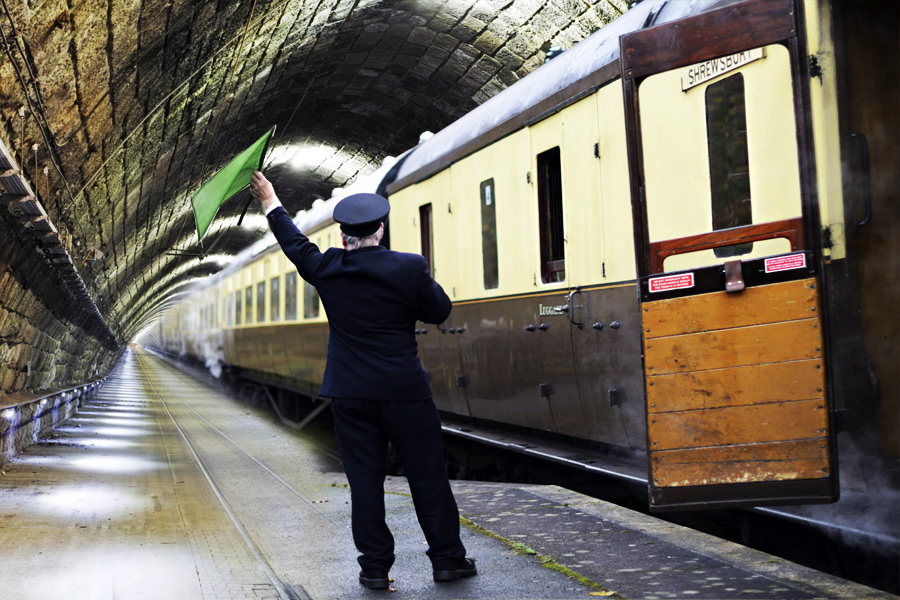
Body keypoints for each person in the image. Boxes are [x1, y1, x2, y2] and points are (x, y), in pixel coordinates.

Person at [249, 171, 476, 589]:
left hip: (350, 394)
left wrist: (271, 200)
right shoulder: (408, 266)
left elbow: (295, 244)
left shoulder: (327, 267)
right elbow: (440, 311)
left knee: (365, 483)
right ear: (381, 229)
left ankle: (374, 568)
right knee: (428, 477)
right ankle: (447, 561)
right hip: (404, 392)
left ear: (342, 235)